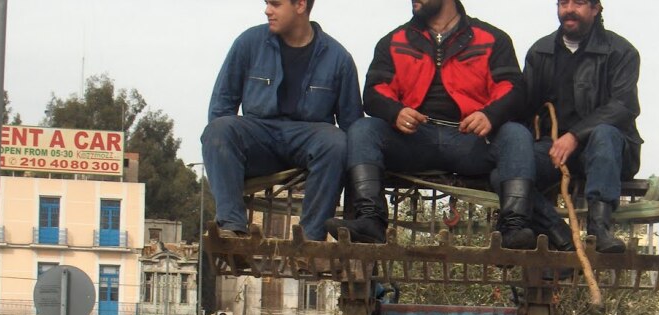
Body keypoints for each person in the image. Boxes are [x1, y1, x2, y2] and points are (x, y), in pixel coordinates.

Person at [326, 0, 539, 249]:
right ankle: (370, 221)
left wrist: (489, 115)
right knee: (363, 129)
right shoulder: (394, 40)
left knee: (516, 134)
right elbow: (374, 92)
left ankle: (513, 229)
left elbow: (513, 89)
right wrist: (396, 112)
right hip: (414, 140)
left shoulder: (493, 38)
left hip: (471, 139)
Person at [201, 0, 362, 242]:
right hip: (259, 136)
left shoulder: (338, 58)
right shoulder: (248, 43)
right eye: (267, 3)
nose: (267, 10)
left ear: (300, 5)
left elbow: (352, 124)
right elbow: (222, 105)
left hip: (308, 140)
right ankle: (232, 227)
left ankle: (311, 240)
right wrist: (227, 158)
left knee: (337, 142)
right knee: (218, 130)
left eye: (275, 4)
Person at [518, 0, 639, 254]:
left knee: (604, 134)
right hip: (554, 151)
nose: (569, 9)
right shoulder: (540, 52)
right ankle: (559, 233)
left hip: (610, 152)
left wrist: (574, 135)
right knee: (508, 169)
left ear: (595, 9)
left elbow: (623, 106)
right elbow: (524, 107)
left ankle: (600, 230)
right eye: (563, 3)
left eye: (579, 3)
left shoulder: (620, 52)